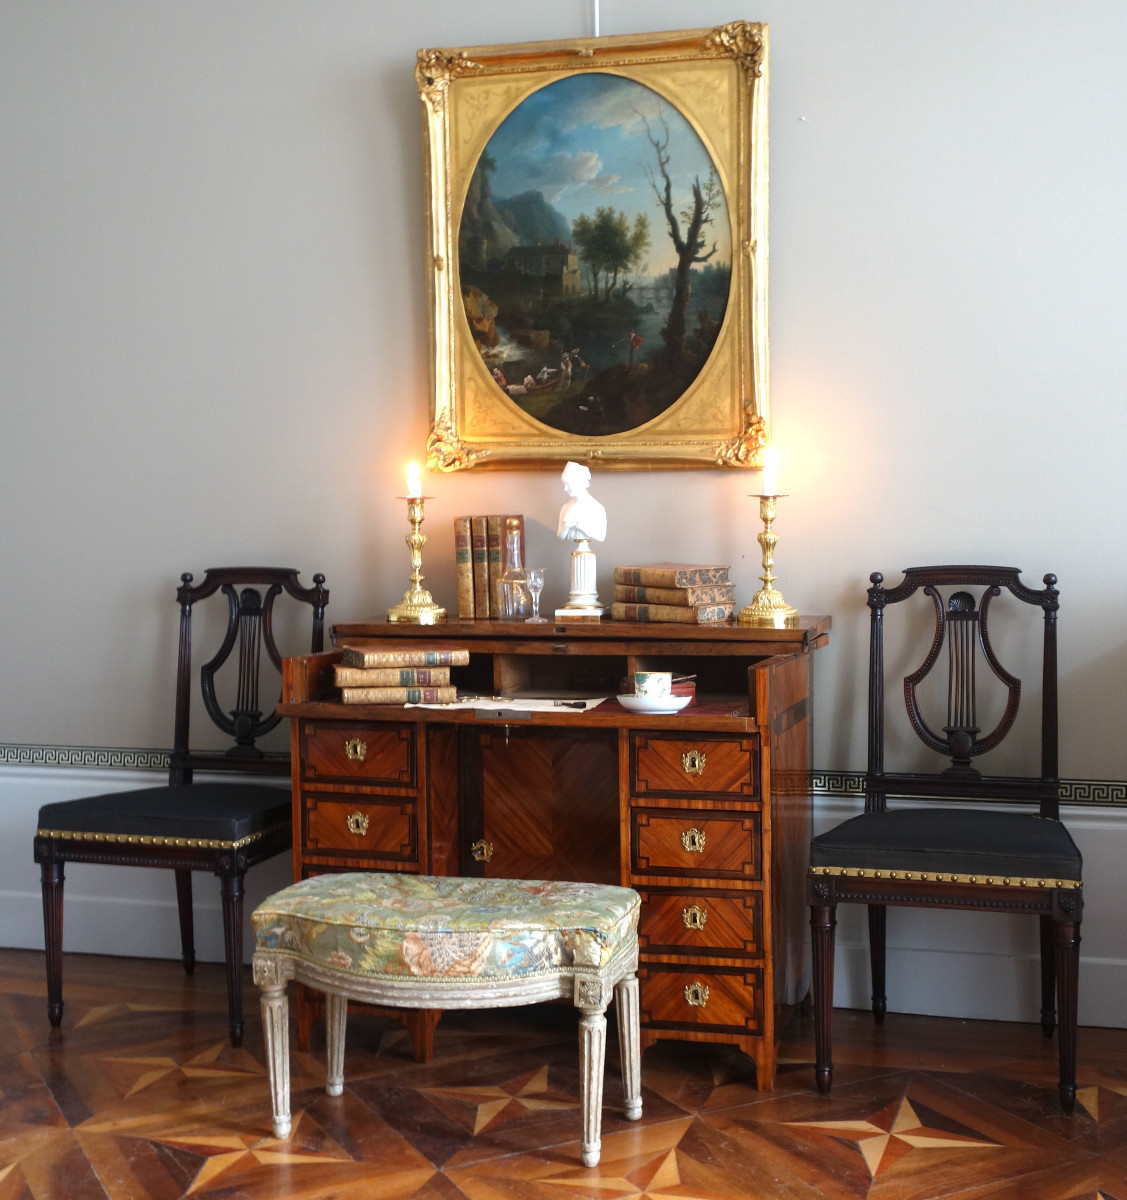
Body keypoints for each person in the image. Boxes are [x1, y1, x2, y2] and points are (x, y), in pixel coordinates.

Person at [556, 460, 607, 543]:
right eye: (564, 484)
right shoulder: (566, 507)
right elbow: (560, 535)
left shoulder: (596, 508)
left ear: (580, 482)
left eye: (568, 484)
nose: (565, 489)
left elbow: (600, 536)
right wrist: (566, 526)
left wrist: (578, 524)